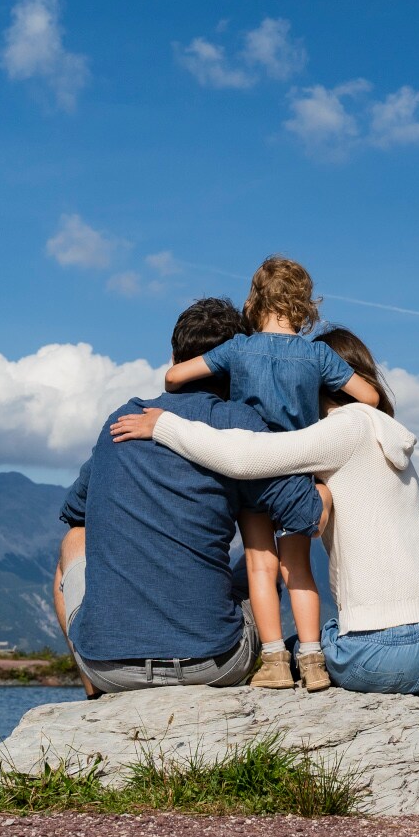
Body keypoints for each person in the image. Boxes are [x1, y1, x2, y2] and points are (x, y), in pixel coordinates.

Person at [113, 326, 419, 696]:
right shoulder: (393, 439)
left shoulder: (344, 429)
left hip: (379, 652)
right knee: (312, 636)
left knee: (301, 645)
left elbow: (244, 457)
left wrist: (163, 425)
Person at [54, 297, 324, 697]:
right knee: (260, 545)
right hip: (215, 663)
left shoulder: (123, 420)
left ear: (176, 358)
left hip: (110, 667)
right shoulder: (238, 423)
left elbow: (75, 512)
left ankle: (93, 690)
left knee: (74, 540)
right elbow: (306, 516)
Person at [162, 256, 380, 693]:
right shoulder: (317, 354)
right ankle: (314, 662)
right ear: (304, 308)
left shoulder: (237, 349)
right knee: (297, 568)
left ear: (254, 301)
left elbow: (173, 377)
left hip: (251, 469)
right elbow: (370, 397)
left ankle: (275, 662)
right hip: (296, 471)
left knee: (260, 566)